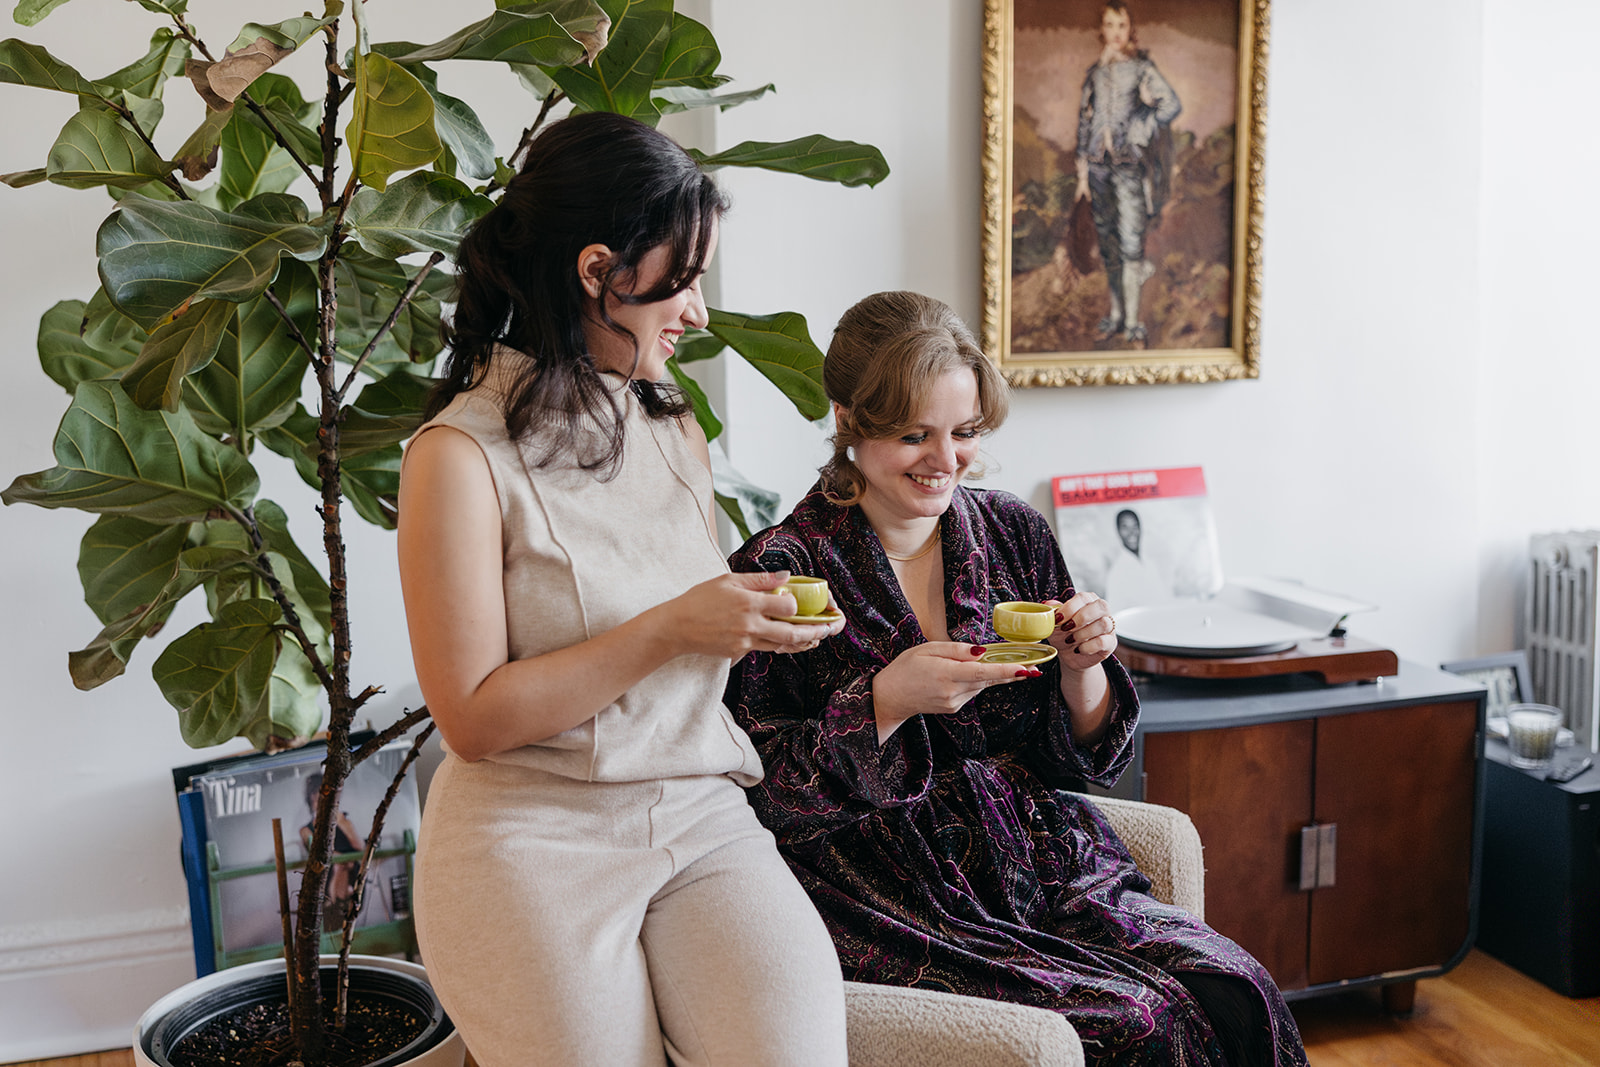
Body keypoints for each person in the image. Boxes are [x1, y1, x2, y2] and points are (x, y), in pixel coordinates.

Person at [724, 290, 1308, 1066]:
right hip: (892, 888)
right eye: (913, 435)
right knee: (1140, 1025)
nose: (945, 461)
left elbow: (1079, 761)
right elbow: (759, 793)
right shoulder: (779, 570)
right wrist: (885, 702)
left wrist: (1083, 670)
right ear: (846, 421)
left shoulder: (1010, 530)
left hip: (1040, 860)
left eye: (963, 433)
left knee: (1239, 988)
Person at [396, 110, 849, 1067]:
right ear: (600, 271)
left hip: (700, 811)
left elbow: (680, 622)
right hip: (529, 838)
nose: (697, 312)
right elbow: (472, 718)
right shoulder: (457, 458)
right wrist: (677, 625)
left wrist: (741, 620)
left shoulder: (672, 423)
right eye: (680, 284)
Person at [1073, 0, 1182, 344]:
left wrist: (1141, 124)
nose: (1115, 32)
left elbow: (1171, 104)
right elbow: (1083, 123)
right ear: (1101, 30)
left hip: (1128, 167)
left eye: (1121, 25)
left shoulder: (1141, 69)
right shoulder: (1095, 73)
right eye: (1109, 25)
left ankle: (1133, 320)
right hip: (1097, 168)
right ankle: (1117, 314)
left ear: (1129, 30)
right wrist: (1081, 176)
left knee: (1131, 241)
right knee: (1108, 242)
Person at [298, 772, 366, 932]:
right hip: (326, 876)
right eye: (315, 795)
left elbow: (360, 847)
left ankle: (342, 900)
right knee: (339, 865)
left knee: (345, 865)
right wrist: (341, 859)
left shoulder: (343, 820)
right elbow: (317, 851)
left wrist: (340, 821)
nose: (319, 799)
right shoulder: (306, 830)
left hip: (353, 876)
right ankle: (337, 901)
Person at [1103, 507, 1172, 608]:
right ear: (1118, 531)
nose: (1132, 532)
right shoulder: (1117, 573)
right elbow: (1115, 615)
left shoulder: (1149, 563)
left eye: (1135, 526)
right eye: (1125, 527)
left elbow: (1162, 600)